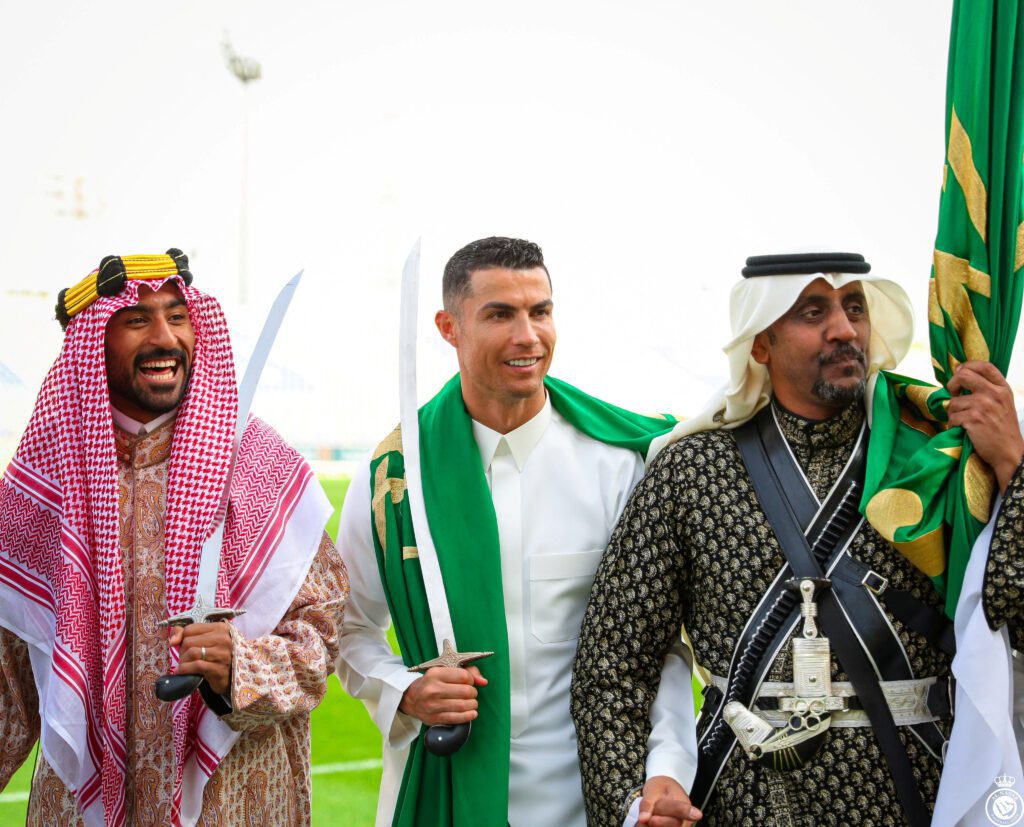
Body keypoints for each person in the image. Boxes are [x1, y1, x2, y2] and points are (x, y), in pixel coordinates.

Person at [571, 252, 1024, 826]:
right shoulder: (690, 471)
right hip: (747, 799)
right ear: (760, 343)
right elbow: (612, 664)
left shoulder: (936, 458)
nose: (844, 329)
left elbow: (1015, 618)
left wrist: (1012, 467)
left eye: (854, 308)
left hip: (918, 789)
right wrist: (632, 805)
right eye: (813, 312)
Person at [336, 236, 695, 827]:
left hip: (601, 793)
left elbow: (661, 647)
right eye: (500, 314)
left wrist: (668, 769)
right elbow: (350, 629)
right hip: (445, 785)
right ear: (449, 327)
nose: (528, 336)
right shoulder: (395, 478)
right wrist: (404, 691)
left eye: (541, 311)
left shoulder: (621, 467)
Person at [0, 250, 348, 826]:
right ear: (89, 347)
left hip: (238, 799)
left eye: (178, 316)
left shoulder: (259, 467)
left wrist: (242, 664)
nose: (165, 337)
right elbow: (8, 687)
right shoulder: (42, 490)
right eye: (137, 321)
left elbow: (321, 639)